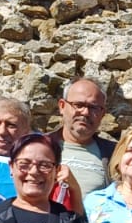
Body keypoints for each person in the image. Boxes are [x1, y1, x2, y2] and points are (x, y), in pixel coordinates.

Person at [49, 78, 119, 206]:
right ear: (62, 106)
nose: (85, 112)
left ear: (103, 113)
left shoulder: (115, 154)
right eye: (79, 105)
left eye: (94, 108)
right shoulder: (38, 147)